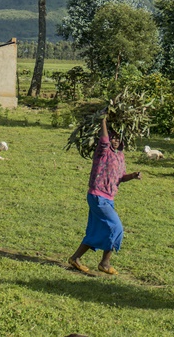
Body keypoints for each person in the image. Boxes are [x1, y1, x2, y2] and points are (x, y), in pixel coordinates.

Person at [68, 113, 141, 276]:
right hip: (97, 196)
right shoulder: (103, 151)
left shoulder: (120, 155)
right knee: (116, 228)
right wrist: (103, 121)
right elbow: (104, 139)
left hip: (109, 199)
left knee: (96, 230)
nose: (115, 140)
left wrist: (133, 175)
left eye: (118, 138)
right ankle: (105, 263)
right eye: (113, 137)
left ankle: (75, 258)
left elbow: (121, 177)